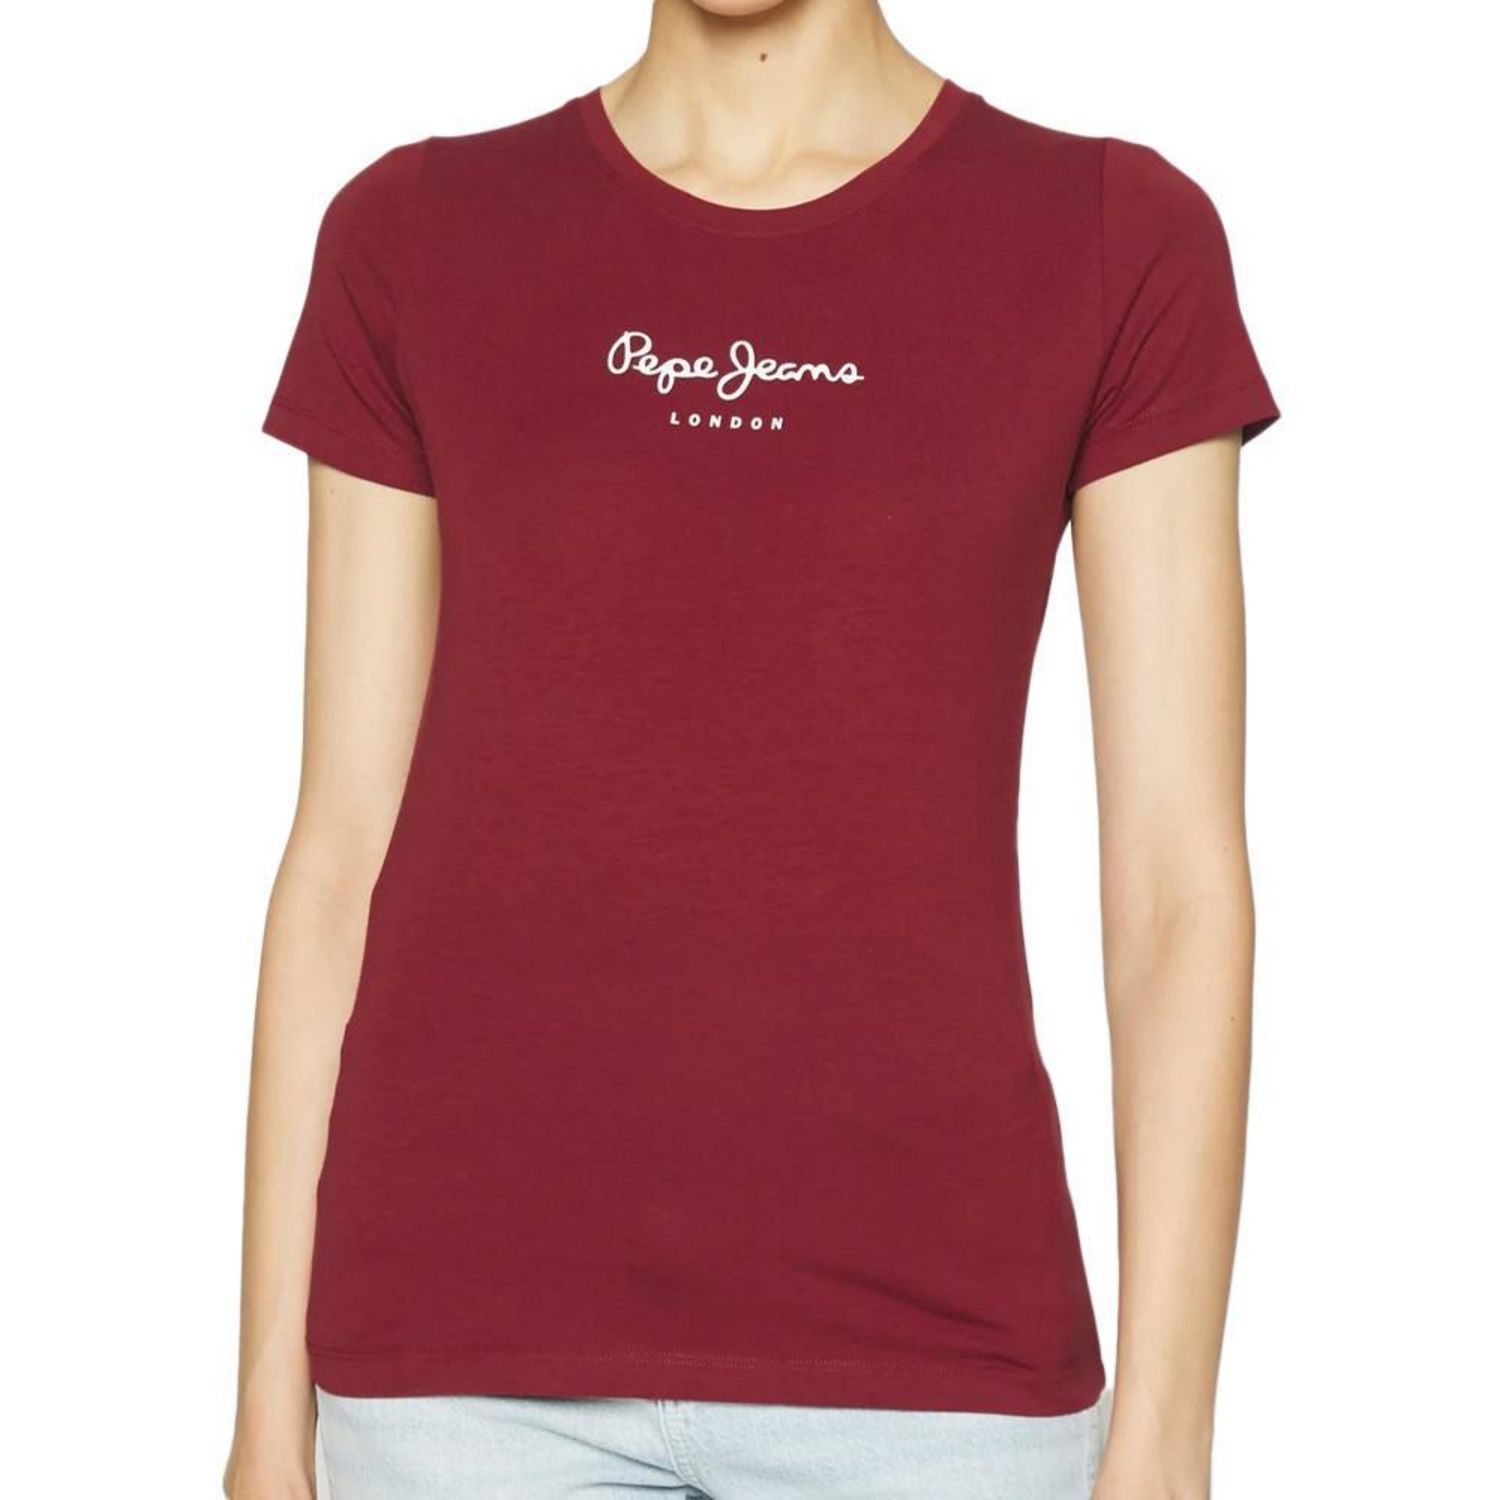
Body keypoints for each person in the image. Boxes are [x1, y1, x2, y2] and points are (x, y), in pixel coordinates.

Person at [225, 0, 1279, 1495]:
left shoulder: (1112, 236)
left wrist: (1168, 1437)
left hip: (940, 1363)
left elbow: (1178, 885)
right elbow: (341, 852)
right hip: (457, 1372)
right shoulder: (416, 233)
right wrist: (266, 1401)